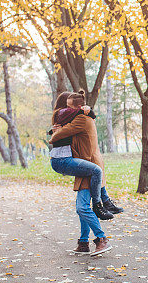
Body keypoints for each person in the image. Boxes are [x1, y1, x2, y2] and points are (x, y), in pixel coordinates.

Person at [49, 90, 117, 256]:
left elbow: (63, 132)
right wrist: (83, 109)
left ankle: (92, 240)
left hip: (86, 163)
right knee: (83, 205)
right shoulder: (68, 115)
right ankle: (90, 240)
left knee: (83, 207)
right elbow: (66, 127)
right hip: (73, 162)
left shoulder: (77, 118)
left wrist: (55, 133)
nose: (69, 110)